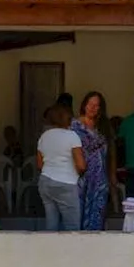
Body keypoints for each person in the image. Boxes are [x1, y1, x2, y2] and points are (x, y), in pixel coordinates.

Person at [37, 103, 87, 231]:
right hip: (66, 183)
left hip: (45, 181)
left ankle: (51, 250)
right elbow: (81, 165)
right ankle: (70, 251)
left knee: (51, 225)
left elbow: (39, 164)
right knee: (72, 227)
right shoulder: (72, 136)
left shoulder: (44, 136)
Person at [71, 91, 115, 231]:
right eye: (90, 104)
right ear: (84, 105)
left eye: (96, 105)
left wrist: (112, 176)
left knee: (97, 215)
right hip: (80, 177)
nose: (92, 108)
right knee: (79, 213)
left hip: (100, 179)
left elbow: (112, 154)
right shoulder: (74, 126)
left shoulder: (103, 127)